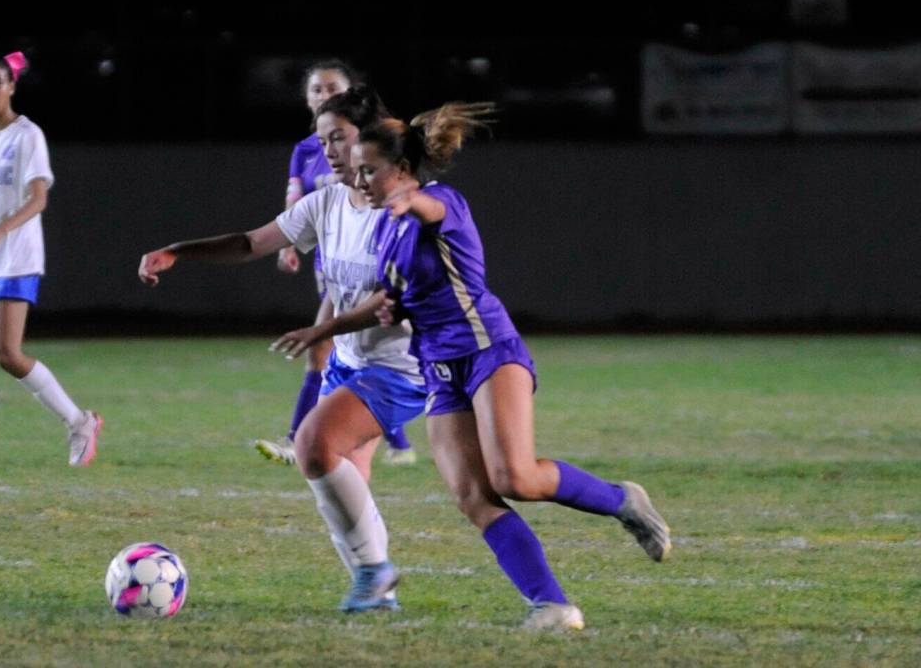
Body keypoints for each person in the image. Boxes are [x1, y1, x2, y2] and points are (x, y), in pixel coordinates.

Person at [272, 104, 672, 630]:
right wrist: (327, 328)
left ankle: (621, 500)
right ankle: (551, 604)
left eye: (370, 169)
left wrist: (408, 201)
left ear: (401, 170)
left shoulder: (440, 200)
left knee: (516, 477)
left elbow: (429, 211)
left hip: (487, 348)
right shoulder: (382, 232)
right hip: (437, 364)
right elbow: (386, 301)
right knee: (472, 496)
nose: (359, 177)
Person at [138, 86, 424, 612]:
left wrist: (322, 328)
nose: (330, 152)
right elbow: (252, 242)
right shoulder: (326, 203)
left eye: (339, 138)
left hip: (404, 366)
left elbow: (398, 294)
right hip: (352, 362)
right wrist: (178, 251)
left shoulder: (401, 207)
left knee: (314, 445)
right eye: (322, 141)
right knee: (340, 481)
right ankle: (376, 590)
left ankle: (375, 572)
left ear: (370, 140)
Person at [256, 60, 416, 467]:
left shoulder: (383, 155)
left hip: (369, 271)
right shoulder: (306, 152)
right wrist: (286, 242)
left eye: (332, 89)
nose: (323, 96)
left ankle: (304, 436)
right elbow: (294, 203)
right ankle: (387, 441)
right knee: (341, 354)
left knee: (336, 347)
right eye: (316, 89)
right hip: (332, 266)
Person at [0, 52, 102, 468]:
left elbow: (39, 199)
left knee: (8, 355)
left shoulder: (27, 135)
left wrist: (0, 230)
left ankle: (80, 421)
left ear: (11, 86)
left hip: (15, 257)